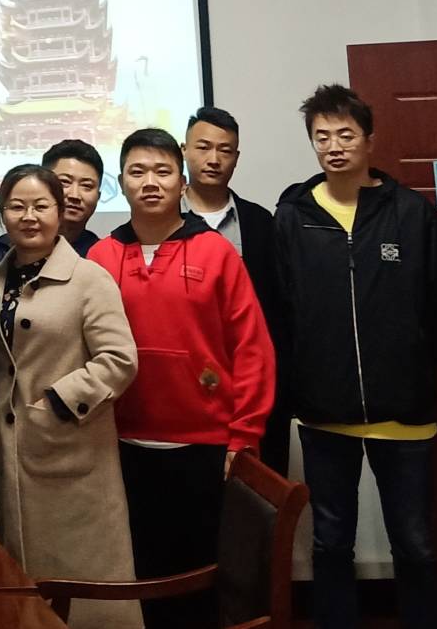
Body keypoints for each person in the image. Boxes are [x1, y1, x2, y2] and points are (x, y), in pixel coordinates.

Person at [274, 84, 437, 629]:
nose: (334, 146)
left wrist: (415, 366)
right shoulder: (294, 216)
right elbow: (282, 308)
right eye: (322, 137)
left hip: (404, 414)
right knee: (331, 543)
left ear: (369, 140)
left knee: (416, 544)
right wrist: (302, 378)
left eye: (345, 134)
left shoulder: (412, 214)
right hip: (324, 412)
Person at [88, 127, 275, 628]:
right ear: (122, 182)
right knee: (143, 572)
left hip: (205, 445)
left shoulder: (216, 252)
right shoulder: (101, 258)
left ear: (182, 180)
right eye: (137, 171)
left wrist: (245, 433)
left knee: (203, 574)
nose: (150, 182)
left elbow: (252, 348)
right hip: (122, 444)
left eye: (162, 171)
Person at [0, 164, 140, 629]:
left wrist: (58, 401)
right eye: (17, 206)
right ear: (1, 213)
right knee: (23, 578)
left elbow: (120, 359)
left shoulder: (89, 278)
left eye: (41, 205)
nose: (29, 216)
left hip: (73, 451)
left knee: (84, 583)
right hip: (13, 450)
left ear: (59, 211)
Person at [180, 106, 288, 473]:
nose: (213, 159)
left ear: (236, 158)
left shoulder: (260, 222)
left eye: (224, 150)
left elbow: (278, 310)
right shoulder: (161, 220)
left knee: (255, 498)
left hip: (251, 390)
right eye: (203, 147)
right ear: (184, 151)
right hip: (184, 393)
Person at [0, 139, 104, 262]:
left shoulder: (101, 256)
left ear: (98, 196)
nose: (74, 195)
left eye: (87, 185)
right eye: (65, 182)